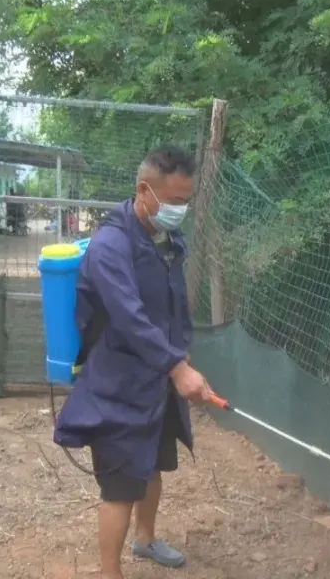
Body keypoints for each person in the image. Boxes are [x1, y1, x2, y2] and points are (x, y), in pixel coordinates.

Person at [53, 145, 214, 579]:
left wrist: (180, 353)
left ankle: (146, 539)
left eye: (187, 200)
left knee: (153, 464)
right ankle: (110, 573)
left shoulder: (165, 238)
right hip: (118, 382)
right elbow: (130, 317)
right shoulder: (110, 245)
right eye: (177, 201)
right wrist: (177, 368)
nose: (182, 209)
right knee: (121, 485)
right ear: (145, 191)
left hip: (155, 375)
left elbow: (173, 303)